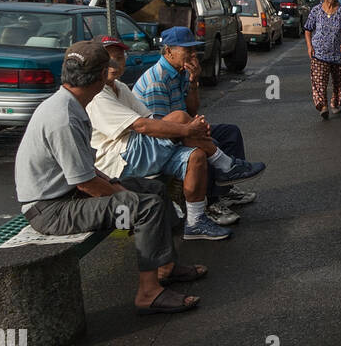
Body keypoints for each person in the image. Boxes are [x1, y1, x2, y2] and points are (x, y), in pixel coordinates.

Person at [14, 42, 203, 315]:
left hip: (67, 195)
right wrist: (124, 198)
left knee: (153, 189)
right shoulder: (63, 116)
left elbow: (86, 170)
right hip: (50, 209)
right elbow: (85, 182)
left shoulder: (70, 104)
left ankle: (166, 266)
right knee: (144, 206)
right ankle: (148, 293)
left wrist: (118, 186)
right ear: (103, 75)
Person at [86, 35, 231, 241]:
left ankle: (196, 222)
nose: (114, 63)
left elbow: (150, 117)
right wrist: (188, 129)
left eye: (119, 57)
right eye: (108, 59)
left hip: (139, 149)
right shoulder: (98, 95)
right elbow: (142, 125)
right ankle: (225, 165)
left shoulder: (120, 87)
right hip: (119, 160)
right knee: (181, 119)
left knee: (196, 156)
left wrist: (192, 121)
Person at [133, 26, 265, 221]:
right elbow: (162, 128)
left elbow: (191, 110)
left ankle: (225, 189)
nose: (193, 55)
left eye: (194, 50)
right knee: (205, 147)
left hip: (180, 129)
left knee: (230, 133)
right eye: (188, 50)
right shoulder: (157, 81)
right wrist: (195, 131)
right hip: (159, 142)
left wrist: (194, 81)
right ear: (169, 51)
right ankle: (211, 203)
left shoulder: (180, 73)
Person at [304, 0, 341, 118]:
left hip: (339, 54)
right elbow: (308, 29)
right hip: (319, 53)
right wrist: (309, 47)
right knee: (319, 82)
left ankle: (335, 104)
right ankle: (323, 106)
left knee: (339, 82)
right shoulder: (316, 11)